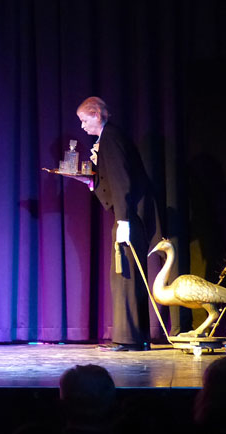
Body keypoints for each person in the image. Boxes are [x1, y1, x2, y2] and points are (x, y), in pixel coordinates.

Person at [76, 96, 156, 351]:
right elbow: (113, 179)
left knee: (125, 275)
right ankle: (136, 337)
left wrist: (123, 221)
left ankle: (129, 339)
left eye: (84, 120)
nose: (82, 126)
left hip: (129, 215)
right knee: (126, 275)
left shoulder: (111, 137)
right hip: (128, 214)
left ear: (96, 115)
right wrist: (91, 181)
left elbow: (122, 181)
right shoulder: (109, 138)